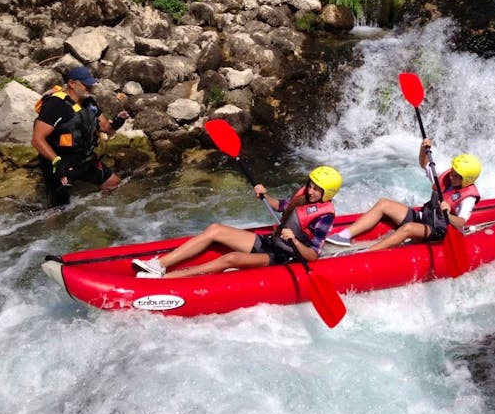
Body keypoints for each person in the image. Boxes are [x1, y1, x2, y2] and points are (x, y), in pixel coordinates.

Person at [132, 166, 343, 279]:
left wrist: (295, 241)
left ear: (328, 193)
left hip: (285, 257)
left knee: (230, 258)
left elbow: (313, 255)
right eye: (311, 185)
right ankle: (159, 266)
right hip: (271, 241)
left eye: (317, 189)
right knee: (215, 229)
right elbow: (281, 206)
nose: (311, 190)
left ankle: (169, 279)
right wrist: (264, 195)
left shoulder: (325, 216)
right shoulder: (304, 196)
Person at [325, 141, 481, 252]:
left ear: (466, 179)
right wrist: (423, 149)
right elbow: (424, 163)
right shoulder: (447, 177)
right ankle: (344, 236)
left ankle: (368, 253)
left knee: (408, 228)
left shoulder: (468, 198)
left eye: (456, 175)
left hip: (439, 231)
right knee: (384, 203)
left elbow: (460, 222)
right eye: (453, 171)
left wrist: (447, 213)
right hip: (425, 217)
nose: (452, 176)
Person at [31, 65, 129, 208]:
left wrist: (118, 122)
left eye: (91, 84)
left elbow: (106, 128)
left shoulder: (89, 103)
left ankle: (98, 212)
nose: (90, 88)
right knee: (58, 209)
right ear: (72, 83)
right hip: (61, 164)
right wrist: (57, 162)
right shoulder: (56, 105)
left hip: (84, 160)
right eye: (86, 85)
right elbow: (37, 139)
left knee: (112, 183)